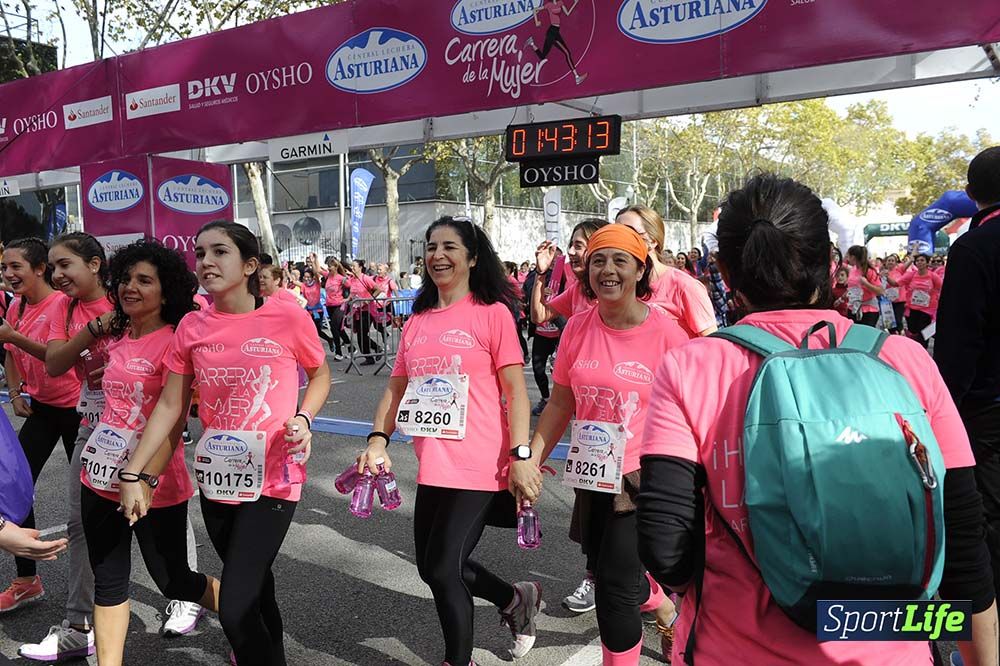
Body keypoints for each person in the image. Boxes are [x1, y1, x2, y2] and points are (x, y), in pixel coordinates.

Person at [636, 174, 998, 665]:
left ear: (722, 271)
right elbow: (962, 545)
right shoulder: (905, 360)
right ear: (828, 264)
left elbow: (665, 547)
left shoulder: (690, 366)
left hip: (734, 647)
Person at [119, 221, 330, 666]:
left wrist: (304, 417)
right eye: (200, 253)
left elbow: (319, 374)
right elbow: (170, 407)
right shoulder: (192, 327)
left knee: (234, 609)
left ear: (250, 265)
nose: (206, 262)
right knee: (257, 591)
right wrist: (133, 472)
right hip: (220, 478)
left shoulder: (286, 315)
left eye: (220, 252)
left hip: (274, 478)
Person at [359, 216, 541, 666]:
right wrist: (377, 439)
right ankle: (514, 600)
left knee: (442, 569)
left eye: (450, 247)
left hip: (480, 463)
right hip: (433, 462)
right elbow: (394, 389)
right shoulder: (418, 320)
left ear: (472, 258)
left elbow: (517, 392)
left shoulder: (492, 314)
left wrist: (521, 455)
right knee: (433, 567)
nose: (437, 255)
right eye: (431, 246)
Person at [510, 224, 689, 664]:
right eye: (597, 261)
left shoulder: (668, 334)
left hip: (646, 477)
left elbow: (692, 409)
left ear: (640, 268)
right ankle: (666, 609)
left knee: (613, 588)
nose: (607, 270)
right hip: (592, 472)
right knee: (616, 572)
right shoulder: (577, 329)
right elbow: (561, 403)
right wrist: (530, 457)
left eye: (619, 261)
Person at [77, 239, 221, 666]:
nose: (130, 287)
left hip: (152, 484)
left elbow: (174, 422)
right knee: (108, 582)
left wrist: (143, 479)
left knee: (175, 580)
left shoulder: (175, 340)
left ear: (167, 289)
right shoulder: (119, 335)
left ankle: (248, 615)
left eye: (144, 280)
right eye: (124, 279)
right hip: (100, 478)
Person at [936, 145, 1000, 659]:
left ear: (972, 194)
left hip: (985, 416)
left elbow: (958, 347)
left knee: (982, 527)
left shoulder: (975, 248)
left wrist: (942, 417)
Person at [0, 238, 82, 619]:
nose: (8, 274)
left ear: (39, 269)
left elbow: (57, 361)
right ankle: (27, 581)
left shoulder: (63, 305)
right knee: (14, 489)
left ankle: (101, 585)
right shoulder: (15, 306)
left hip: (79, 411)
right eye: (4, 268)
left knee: (90, 502)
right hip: (43, 410)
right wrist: (17, 392)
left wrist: (13, 337)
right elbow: (9, 354)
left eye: (16, 266)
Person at [523, 0, 587, 85]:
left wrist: (575, 3)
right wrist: (536, 21)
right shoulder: (549, 5)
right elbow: (535, 10)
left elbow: (567, 13)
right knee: (567, 53)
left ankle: (531, 43)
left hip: (556, 32)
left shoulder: (560, 3)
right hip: (552, 32)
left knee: (542, 56)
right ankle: (577, 77)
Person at [896, 253, 943, 348]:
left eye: (922, 260)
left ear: (927, 263)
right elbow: (896, 283)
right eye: (917, 261)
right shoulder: (911, 275)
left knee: (923, 334)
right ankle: (915, 349)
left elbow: (941, 288)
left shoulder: (933, 276)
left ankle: (923, 352)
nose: (919, 262)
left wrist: (937, 299)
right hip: (912, 309)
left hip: (927, 310)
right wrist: (886, 277)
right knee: (913, 331)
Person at [346, 259, 383, 366]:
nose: (352, 269)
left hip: (367, 311)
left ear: (360, 267)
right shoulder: (352, 279)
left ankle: (376, 349)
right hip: (356, 311)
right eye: (351, 267)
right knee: (360, 335)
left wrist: (368, 299)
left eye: (354, 267)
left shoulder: (365, 278)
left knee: (362, 334)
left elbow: (378, 289)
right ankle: (369, 356)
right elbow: (352, 293)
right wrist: (347, 300)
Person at [845, 245, 884, 326]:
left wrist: (866, 284)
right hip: (853, 308)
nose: (847, 258)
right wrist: (841, 298)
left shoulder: (869, 271)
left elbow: (880, 291)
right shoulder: (853, 269)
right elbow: (851, 289)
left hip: (868, 310)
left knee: (866, 337)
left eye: (848, 256)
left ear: (853, 257)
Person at [322, 258, 352, 361]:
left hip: (339, 305)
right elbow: (317, 270)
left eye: (330, 266)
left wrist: (348, 298)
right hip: (329, 305)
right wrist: (314, 260)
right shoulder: (328, 276)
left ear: (335, 267)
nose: (328, 268)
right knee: (339, 328)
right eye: (328, 266)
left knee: (334, 328)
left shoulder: (341, 278)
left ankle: (338, 352)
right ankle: (350, 346)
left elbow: (352, 286)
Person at [300, 267, 335, 351]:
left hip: (318, 311)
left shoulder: (317, 283)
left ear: (312, 277)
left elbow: (316, 273)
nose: (306, 279)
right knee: (311, 330)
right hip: (308, 311)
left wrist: (313, 263)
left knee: (316, 330)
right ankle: (319, 344)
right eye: (305, 277)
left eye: (308, 277)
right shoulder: (303, 286)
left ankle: (328, 341)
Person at [882, 254, 909, 334]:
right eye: (889, 260)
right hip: (887, 302)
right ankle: (893, 335)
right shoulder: (882, 273)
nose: (890, 262)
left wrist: (914, 250)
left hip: (899, 300)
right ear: (885, 263)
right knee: (889, 322)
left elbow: (909, 262)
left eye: (892, 260)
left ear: (896, 263)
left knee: (898, 320)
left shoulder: (900, 270)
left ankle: (901, 334)